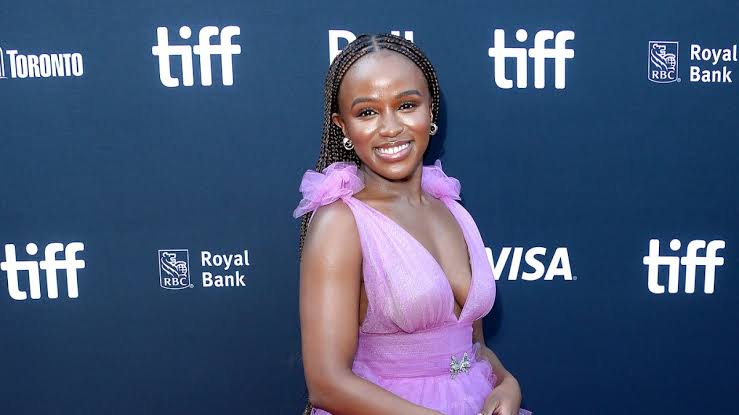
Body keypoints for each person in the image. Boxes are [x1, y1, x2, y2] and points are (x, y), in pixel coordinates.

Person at [293, 33, 531, 415]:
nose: (390, 127)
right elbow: (326, 384)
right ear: (343, 127)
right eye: (367, 112)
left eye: (406, 105)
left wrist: (506, 382)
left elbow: (473, 346)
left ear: (430, 111)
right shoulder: (341, 222)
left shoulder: (450, 207)